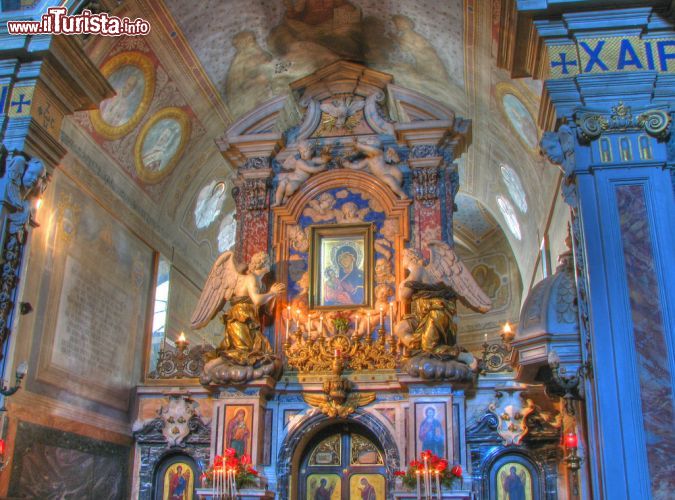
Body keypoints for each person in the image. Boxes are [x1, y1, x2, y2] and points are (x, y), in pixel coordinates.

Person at [273, 140, 328, 206]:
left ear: (312, 151)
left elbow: (323, 160)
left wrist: (326, 153)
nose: (303, 154)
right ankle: (278, 201)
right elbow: (311, 169)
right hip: (292, 178)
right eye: (301, 152)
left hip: (299, 181)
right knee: (282, 184)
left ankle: (286, 197)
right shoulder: (300, 162)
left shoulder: (313, 160)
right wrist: (321, 168)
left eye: (305, 151)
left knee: (290, 187)